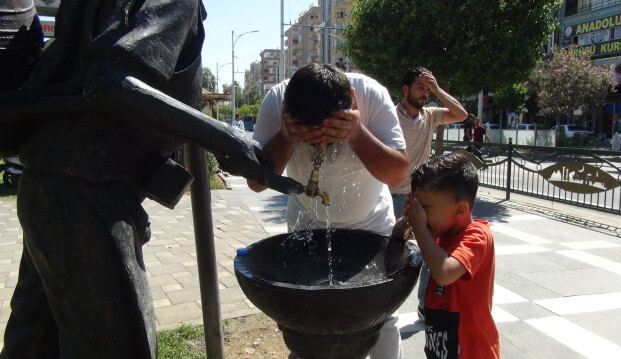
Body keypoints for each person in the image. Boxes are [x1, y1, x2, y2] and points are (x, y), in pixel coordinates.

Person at [0, 1, 300, 358]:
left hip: (51, 184)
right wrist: (226, 140)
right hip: (90, 193)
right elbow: (109, 84)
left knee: (33, 342)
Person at [248, 63, 410, 359]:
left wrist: (358, 133)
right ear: (287, 110)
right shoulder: (276, 101)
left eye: (333, 130)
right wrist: (286, 136)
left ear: (353, 102)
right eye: (311, 134)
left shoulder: (371, 94)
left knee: (382, 317)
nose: (322, 142)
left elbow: (398, 174)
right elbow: (256, 183)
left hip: (370, 225)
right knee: (307, 318)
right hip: (306, 229)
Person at [392, 153, 500, 359]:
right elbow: (396, 238)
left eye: (424, 209)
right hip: (441, 349)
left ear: (459, 209)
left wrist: (419, 225)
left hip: (473, 353)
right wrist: (407, 220)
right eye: (417, 208)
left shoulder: (477, 236)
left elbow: (444, 272)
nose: (420, 216)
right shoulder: (438, 232)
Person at [388, 67, 467, 321]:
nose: (424, 94)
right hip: (389, 195)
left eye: (426, 89)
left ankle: (425, 305)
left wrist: (437, 90)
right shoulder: (390, 115)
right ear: (405, 90)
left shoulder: (430, 116)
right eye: (420, 88)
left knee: (430, 249)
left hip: (419, 197)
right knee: (389, 249)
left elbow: (461, 114)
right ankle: (385, 304)